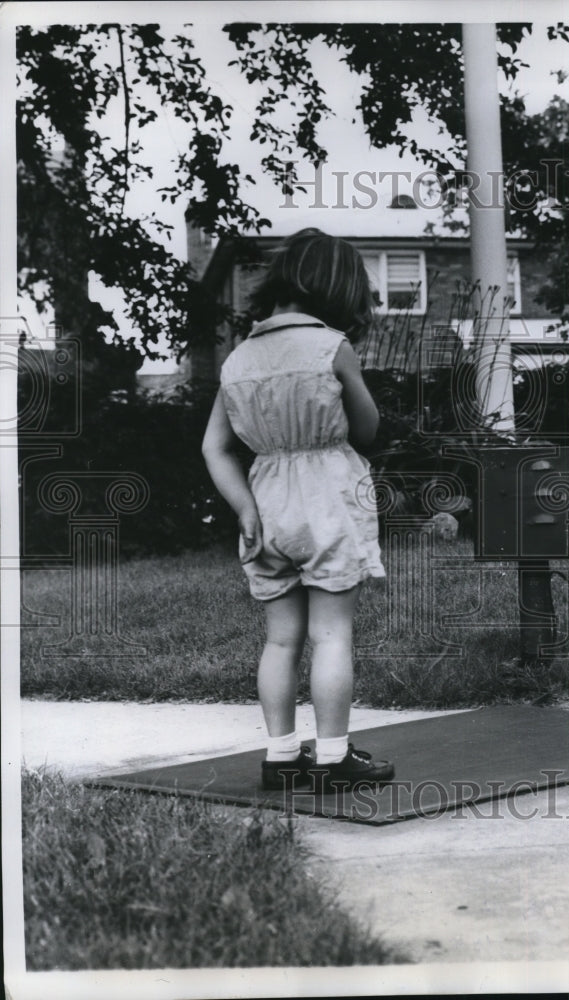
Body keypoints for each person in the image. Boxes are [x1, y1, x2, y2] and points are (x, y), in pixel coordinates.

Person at [201, 228, 394, 792]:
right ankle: (334, 758)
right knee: (331, 636)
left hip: (265, 500)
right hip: (328, 499)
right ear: (337, 288)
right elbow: (367, 431)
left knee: (280, 639)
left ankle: (281, 758)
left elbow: (214, 447)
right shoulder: (332, 347)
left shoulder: (238, 359)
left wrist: (243, 508)